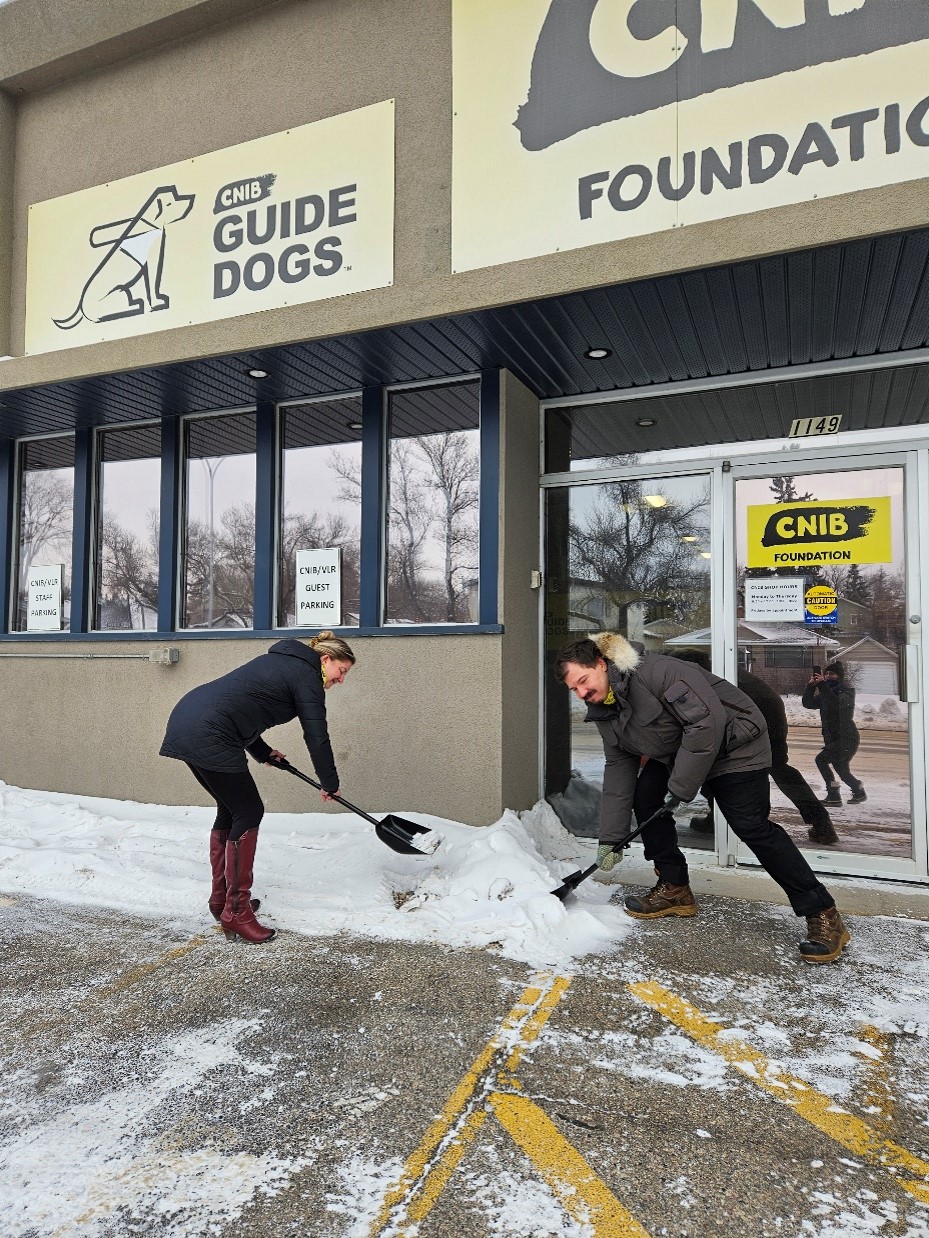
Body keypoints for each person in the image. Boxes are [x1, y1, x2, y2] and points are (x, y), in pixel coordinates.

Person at [554, 632, 851, 964]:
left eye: (583, 681)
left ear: (600, 663)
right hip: (680, 751)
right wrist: (610, 838)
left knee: (750, 826)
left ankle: (823, 911)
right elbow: (618, 769)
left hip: (735, 747)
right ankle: (674, 886)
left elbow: (705, 726)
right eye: (574, 690)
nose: (582, 693)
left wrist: (680, 788)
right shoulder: (606, 707)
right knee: (645, 796)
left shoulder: (658, 673)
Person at [160, 631, 356, 944]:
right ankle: (237, 913)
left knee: (232, 808)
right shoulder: (307, 678)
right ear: (325, 659)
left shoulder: (283, 662)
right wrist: (330, 783)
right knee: (249, 810)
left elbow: (243, 707)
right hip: (210, 731)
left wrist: (262, 752)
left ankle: (222, 901)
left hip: (190, 718)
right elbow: (317, 736)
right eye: (341, 671)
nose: (341, 679)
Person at [689, 667, 838, 847]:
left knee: (714, 760)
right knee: (778, 766)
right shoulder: (708, 662)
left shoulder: (687, 667)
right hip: (768, 704)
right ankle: (821, 823)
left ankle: (723, 820)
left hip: (752, 708)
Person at [801, 660, 866, 806]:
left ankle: (833, 795)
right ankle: (858, 790)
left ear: (839, 676)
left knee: (821, 760)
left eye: (832, 674)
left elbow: (835, 704)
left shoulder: (847, 692)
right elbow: (808, 703)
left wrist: (822, 685)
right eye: (827, 673)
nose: (829, 676)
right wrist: (811, 687)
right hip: (834, 738)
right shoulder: (826, 692)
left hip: (846, 738)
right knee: (842, 770)